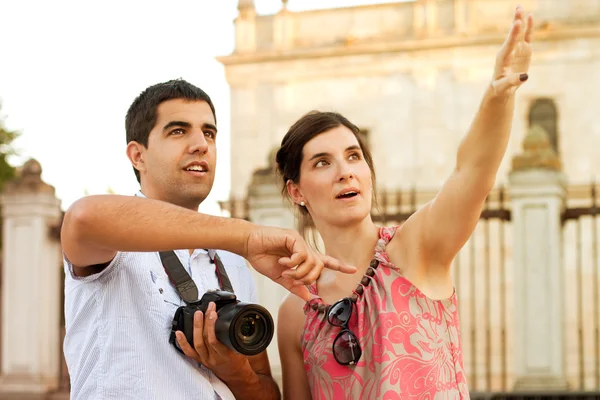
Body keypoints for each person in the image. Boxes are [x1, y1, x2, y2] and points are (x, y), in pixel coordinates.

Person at [275, 6, 533, 399]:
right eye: (322, 162)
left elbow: (472, 175)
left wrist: (497, 97)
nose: (345, 171)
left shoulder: (415, 249)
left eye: (354, 156)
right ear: (296, 191)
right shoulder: (296, 313)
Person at [60, 79, 355, 400]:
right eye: (178, 131)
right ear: (137, 156)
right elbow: (82, 218)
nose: (201, 144)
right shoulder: (114, 244)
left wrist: (235, 371)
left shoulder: (231, 262)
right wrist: (247, 236)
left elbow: (267, 392)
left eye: (209, 133)